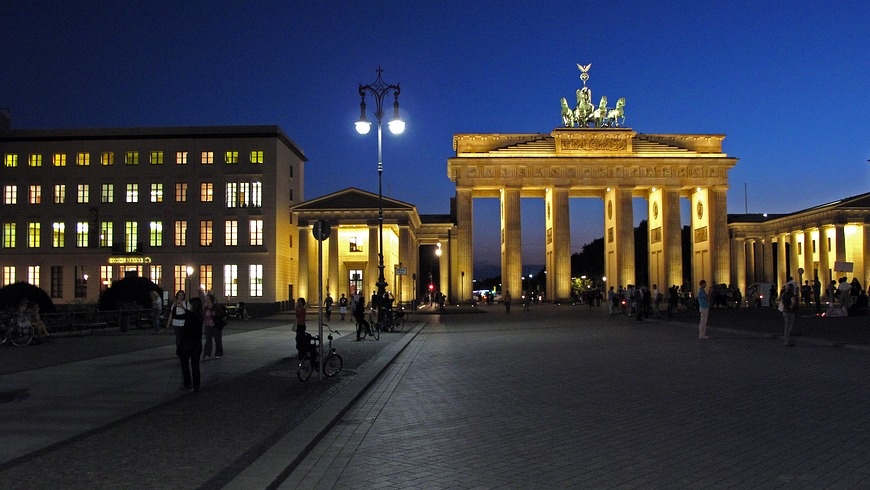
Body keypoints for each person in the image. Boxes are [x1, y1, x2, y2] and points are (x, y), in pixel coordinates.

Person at [177, 296, 203, 391]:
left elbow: (186, 327)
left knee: (185, 363)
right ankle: (196, 384)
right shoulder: (200, 316)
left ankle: (187, 383)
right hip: (197, 343)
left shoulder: (191, 316)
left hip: (188, 343)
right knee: (195, 365)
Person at [202, 293, 226, 360]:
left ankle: (218, 353)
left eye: (207, 299)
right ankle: (207, 354)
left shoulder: (216, 307)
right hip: (208, 325)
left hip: (216, 325)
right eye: (206, 299)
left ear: (211, 300)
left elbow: (221, 314)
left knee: (217, 339)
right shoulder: (206, 308)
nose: (206, 300)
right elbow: (204, 316)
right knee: (208, 340)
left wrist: (215, 314)